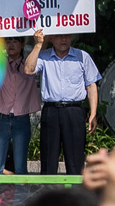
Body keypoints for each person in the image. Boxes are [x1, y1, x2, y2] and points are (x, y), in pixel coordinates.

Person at [27, 27, 102, 176]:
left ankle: (74, 197)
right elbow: (29, 70)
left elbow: (91, 85)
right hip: (51, 111)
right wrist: (38, 45)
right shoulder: (44, 56)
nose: (63, 39)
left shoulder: (82, 56)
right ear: (52, 38)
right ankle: (49, 196)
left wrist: (93, 113)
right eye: (59, 36)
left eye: (67, 35)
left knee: (75, 160)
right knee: (49, 160)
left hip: (74, 111)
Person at [0, 33, 40, 175]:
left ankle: (22, 198)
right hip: (1, 117)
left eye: (15, 41)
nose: (11, 44)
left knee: (21, 168)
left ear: (22, 44)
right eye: (8, 41)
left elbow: (40, 52)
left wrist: (39, 41)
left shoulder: (29, 63)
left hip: (22, 118)